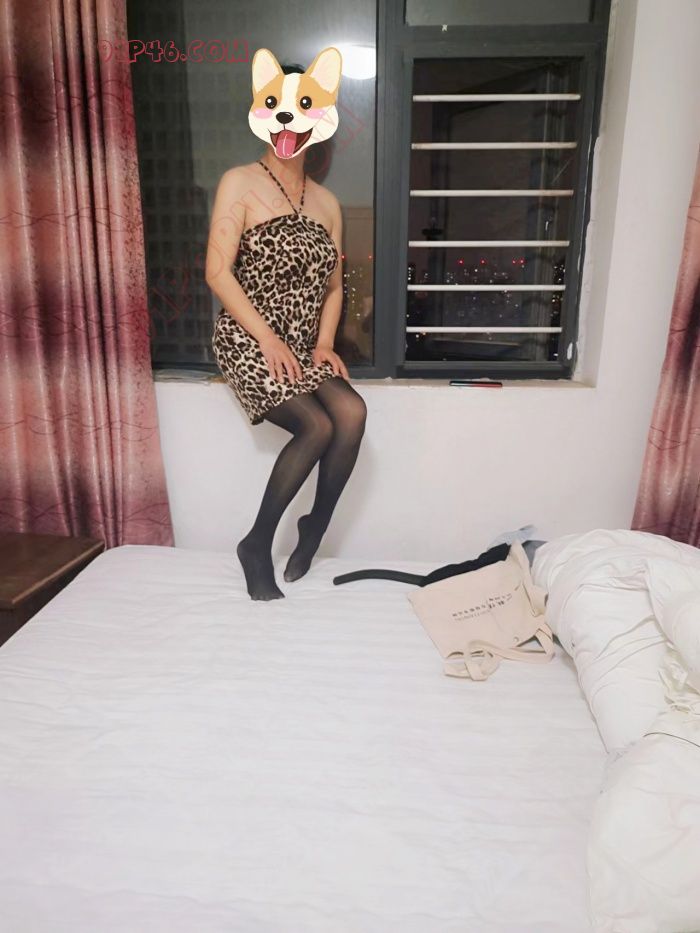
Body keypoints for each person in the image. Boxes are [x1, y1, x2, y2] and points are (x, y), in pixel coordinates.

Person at [206, 53, 367, 602]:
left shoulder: (327, 203)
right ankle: (256, 545)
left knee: (352, 412)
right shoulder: (239, 183)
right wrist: (268, 338)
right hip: (249, 337)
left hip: (301, 344)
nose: (288, 121)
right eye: (278, 107)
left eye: (303, 108)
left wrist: (324, 343)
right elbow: (217, 272)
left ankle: (315, 524)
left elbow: (335, 287)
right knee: (316, 427)